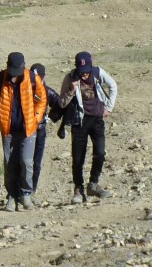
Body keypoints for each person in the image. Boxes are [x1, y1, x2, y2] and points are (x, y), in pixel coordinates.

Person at [0, 51, 48, 210]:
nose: (14, 75)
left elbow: (42, 99)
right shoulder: (0, 78)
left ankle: (26, 194)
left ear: (23, 67)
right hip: (8, 130)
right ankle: (12, 196)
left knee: (27, 162)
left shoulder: (33, 79)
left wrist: (35, 118)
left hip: (27, 129)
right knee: (9, 163)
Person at [59, 51, 118, 205]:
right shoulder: (70, 77)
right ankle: (78, 189)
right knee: (78, 157)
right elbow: (62, 103)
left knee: (100, 152)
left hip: (97, 119)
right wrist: (71, 90)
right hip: (79, 121)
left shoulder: (98, 72)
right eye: (81, 72)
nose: (84, 75)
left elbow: (113, 85)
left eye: (86, 72)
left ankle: (93, 184)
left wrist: (109, 108)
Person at [29, 62, 64, 197]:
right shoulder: (23, 90)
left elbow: (60, 104)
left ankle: (32, 190)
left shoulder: (47, 91)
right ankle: (22, 190)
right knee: (24, 162)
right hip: (25, 130)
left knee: (36, 163)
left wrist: (51, 117)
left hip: (40, 130)